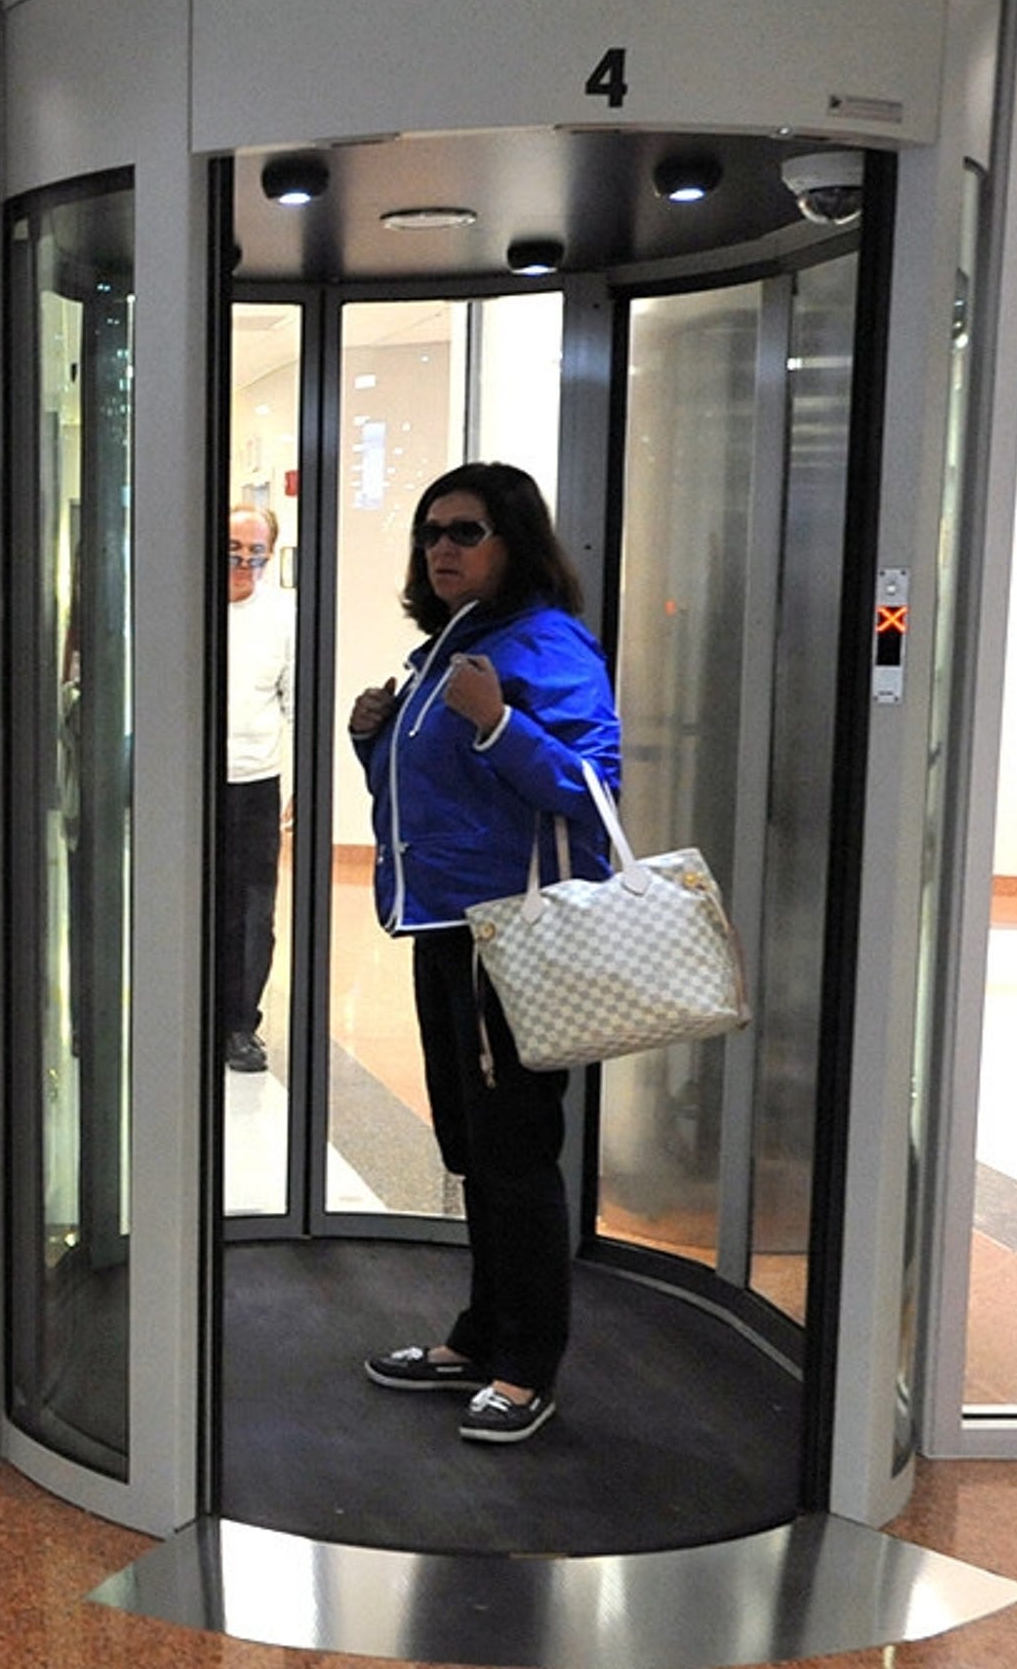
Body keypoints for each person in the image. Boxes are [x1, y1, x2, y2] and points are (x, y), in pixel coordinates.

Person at [347, 461, 620, 1446]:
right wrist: (371, 741)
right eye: (430, 533)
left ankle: (526, 1365)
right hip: (447, 930)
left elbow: (591, 787)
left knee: (513, 1153)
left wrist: (498, 721)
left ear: (514, 541)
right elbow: (434, 792)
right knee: (474, 1148)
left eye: (464, 531)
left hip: (511, 936)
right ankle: (478, 1337)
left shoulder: (546, 645)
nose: (441, 549)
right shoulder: (449, 647)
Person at [220, 505, 293, 1074]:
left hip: (255, 785)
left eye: (256, 554)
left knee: (253, 910)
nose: (244, 564)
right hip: (187, 787)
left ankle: (241, 1025)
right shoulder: (182, 603)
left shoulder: (284, 617)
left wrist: (303, 787)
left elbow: (297, 703)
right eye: (234, 551)